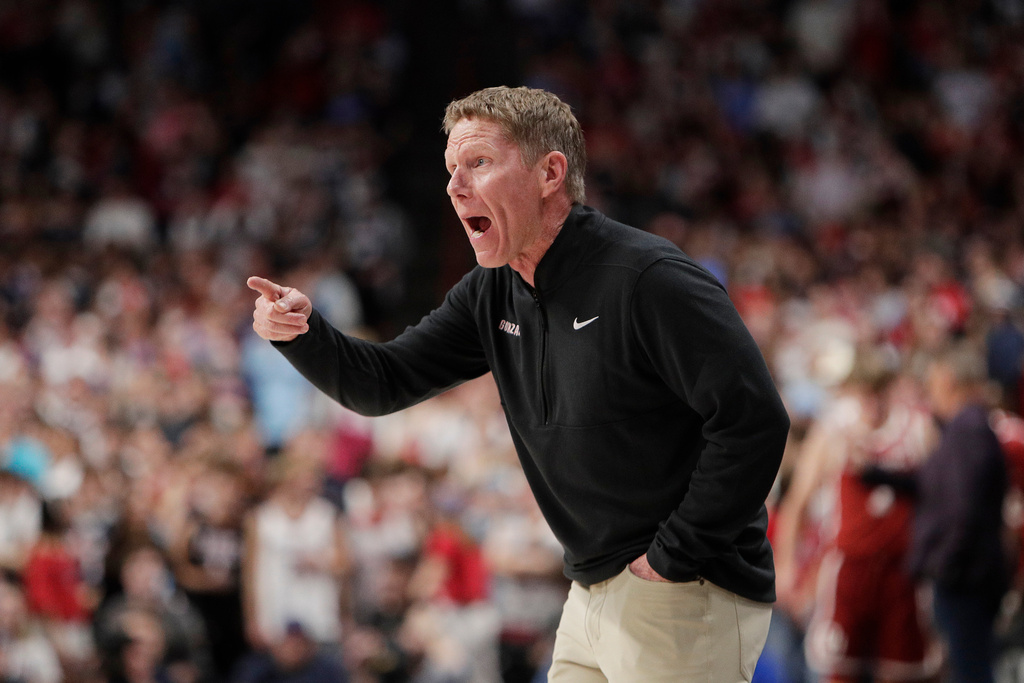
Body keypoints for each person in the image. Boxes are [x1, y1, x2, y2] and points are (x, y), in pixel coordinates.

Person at [248, 86, 790, 682]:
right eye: (451, 169)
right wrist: (302, 333)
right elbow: (382, 383)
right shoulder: (493, 290)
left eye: (478, 163)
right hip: (590, 592)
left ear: (549, 173)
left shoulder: (648, 278)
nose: (455, 187)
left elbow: (754, 423)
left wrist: (672, 557)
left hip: (684, 590)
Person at [774, 358, 940, 683]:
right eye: (865, 394)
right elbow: (797, 502)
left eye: (879, 393)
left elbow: (940, 497)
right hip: (850, 571)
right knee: (840, 670)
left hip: (901, 572)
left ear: (890, 391)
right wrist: (786, 566)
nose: (873, 404)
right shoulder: (834, 431)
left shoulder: (918, 429)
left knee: (903, 672)